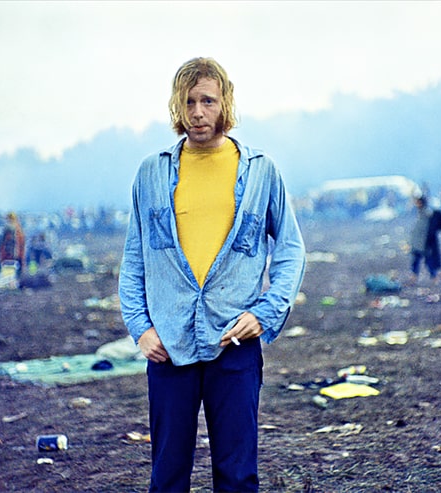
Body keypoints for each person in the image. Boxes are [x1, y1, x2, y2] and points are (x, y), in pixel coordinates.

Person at [119, 57, 305, 492]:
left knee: (237, 476)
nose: (198, 112)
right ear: (177, 107)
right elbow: (134, 259)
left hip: (234, 343)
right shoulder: (151, 173)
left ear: (225, 104)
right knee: (167, 476)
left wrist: (265, 313)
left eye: (207, 101)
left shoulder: (260, 172)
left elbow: (291, 250)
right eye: (188, 102)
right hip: (169, 345)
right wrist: (141, 329)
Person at [409, 195, 441, 284]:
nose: (416, 204)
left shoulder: (427, 213)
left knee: (428, 260)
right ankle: (414, 277)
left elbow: (429, 228)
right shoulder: (421, 213)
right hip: (418, 242)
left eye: (418, 202)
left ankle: (434, 277)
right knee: (416, 260)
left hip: (425, 242)